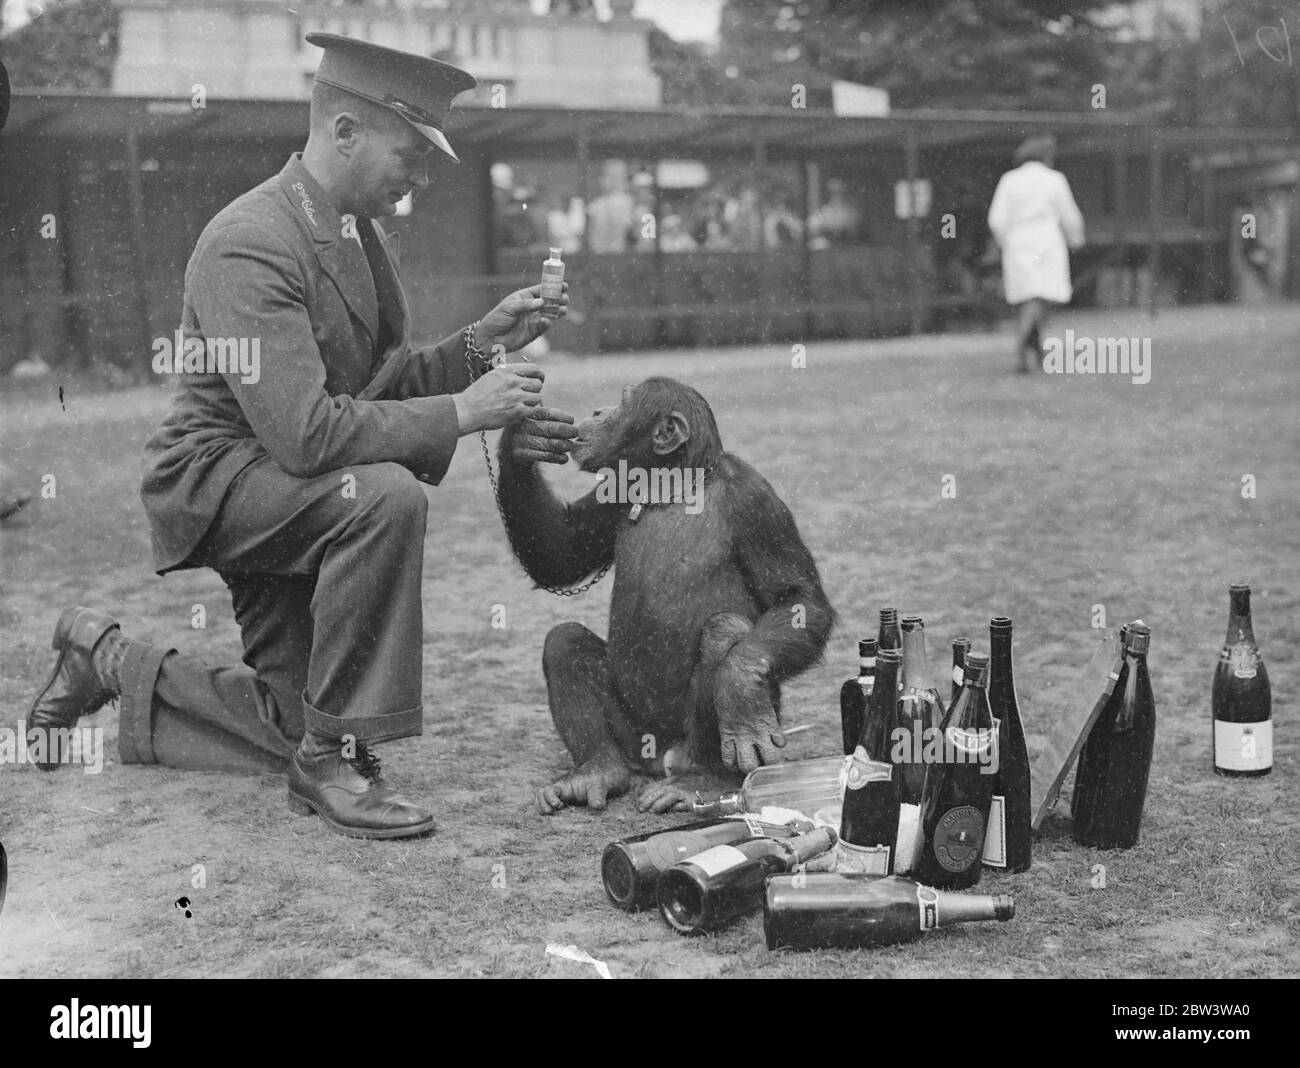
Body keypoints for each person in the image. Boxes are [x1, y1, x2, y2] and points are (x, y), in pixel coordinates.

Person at [26, 33, 577, 840]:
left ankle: (105, 659)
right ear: (344, 132)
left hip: (288, 486)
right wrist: (467, 411)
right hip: (222, 481)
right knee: (381, 497)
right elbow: (310, 434)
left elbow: (370, 391)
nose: (421, 175)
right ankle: (331, 764)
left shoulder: (354, 231)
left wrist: (481, 346)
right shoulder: (249, 239)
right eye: (409, 152)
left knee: (296, 721)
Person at [987, 133, 1085, 372]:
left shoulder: (1009, 180)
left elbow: (997, 219)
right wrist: (1075, 238)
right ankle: (1022, 347)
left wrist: (1003, 243)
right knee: (1040, 295)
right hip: (1046, 242)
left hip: (1018, 243)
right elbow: (1069, 213)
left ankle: (1034, 348)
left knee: (1028, 296)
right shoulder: (1055, 179)